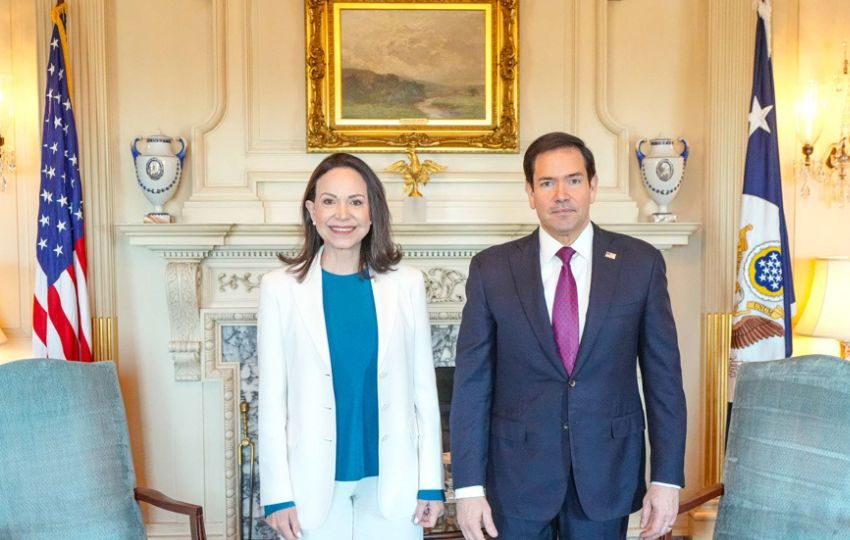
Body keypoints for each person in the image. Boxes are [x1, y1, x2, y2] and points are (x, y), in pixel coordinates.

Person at [450, 132, 686, 540]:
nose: (561, 194)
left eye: (573, 180)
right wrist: (468, 489)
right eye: (547, 183)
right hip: (516, 478)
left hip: (606, 474)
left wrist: (666, 480)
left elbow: (664, 380)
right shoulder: (492, 270)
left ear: (593, 186)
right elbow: (471, 386)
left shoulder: (640, 264)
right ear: (530, 192)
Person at [258, 153, 445, 540]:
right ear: (312, 211)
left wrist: (431, 482)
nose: (342, 214)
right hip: (311, 486)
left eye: (356, 202)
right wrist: (276, 495)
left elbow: (424, 393)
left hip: (395, 486)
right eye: (329, 201)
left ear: (373, 212)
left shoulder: (407, 284)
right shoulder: (279, 289)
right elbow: (272, 401)